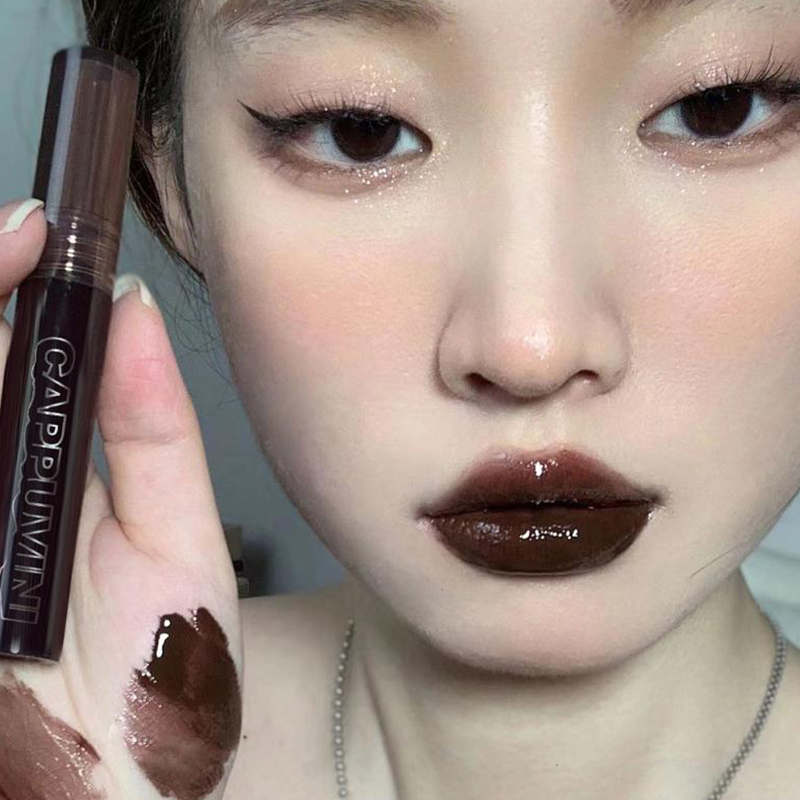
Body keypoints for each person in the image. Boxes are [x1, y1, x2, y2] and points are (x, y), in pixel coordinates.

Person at [1, 0, 799, 797]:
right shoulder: (83, 747)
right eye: (360, 130)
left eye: (717, 108)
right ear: (171, 183)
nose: (531, 348)